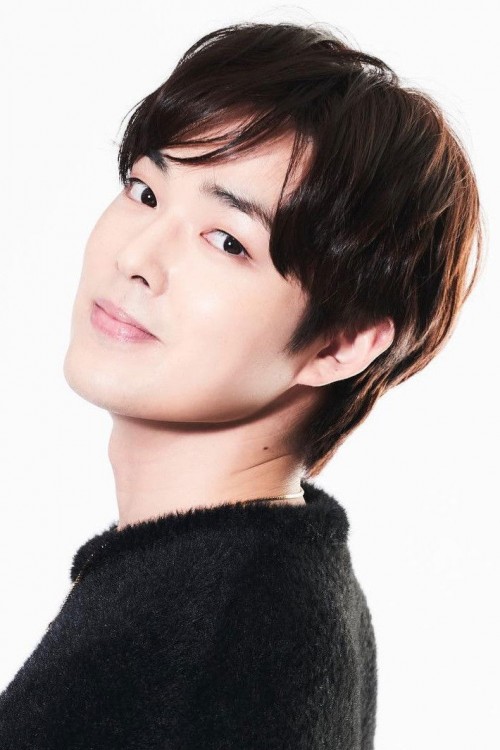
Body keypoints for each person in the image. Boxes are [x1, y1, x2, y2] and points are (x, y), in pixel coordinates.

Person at [0, 21, 483, 749]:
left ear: (341, 343)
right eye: (145, 191)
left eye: (227, 241)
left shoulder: (220, 635)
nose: (136, 257)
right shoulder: (249, 581)